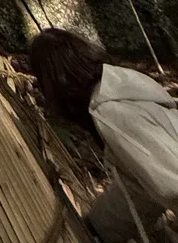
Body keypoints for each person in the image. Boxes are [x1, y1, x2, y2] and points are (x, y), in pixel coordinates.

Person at [29, 28, 178, 242]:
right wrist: (100, 225)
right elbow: (137, 184)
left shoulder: (112, 113)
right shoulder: (122, 86)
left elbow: (171, 185)